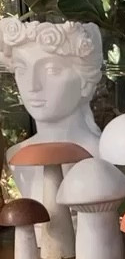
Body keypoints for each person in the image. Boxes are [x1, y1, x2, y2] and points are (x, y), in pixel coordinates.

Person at [0, 18, 103, 200]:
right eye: (21, 69)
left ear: (85, 81)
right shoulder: (16, 155)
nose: (33, 85)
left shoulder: (105, 155)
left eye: (51, 70)